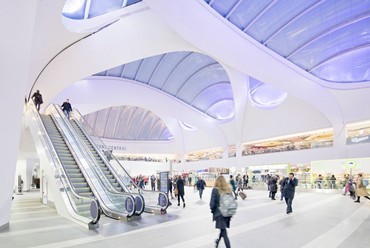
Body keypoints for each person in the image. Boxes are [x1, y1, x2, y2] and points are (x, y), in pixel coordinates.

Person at [210, 176, 232, 248]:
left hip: (219, 214)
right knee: (223, 229)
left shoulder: (215, 190)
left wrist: (214, 211)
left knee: (224, 232)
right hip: (227, 214)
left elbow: (212, 204)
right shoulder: (228, 190)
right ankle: (217, 242)